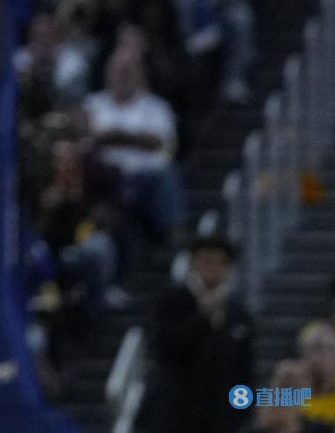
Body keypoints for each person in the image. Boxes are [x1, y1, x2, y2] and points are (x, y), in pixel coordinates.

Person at [148, 234, 252, 433]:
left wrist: (241, 415)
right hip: (177, 416)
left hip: (221, 418)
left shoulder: (239, 315)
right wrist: (203, 317)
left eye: (221, 262)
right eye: (207, 261)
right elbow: (166, 350)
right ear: (193, 264)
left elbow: (244, 372)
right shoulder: (172, 302)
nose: (213, 268)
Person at [84, 38, 185, 241]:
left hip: (144, 179)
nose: (122, 76)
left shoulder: (156, 107)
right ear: (107, 72)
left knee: (168, 172)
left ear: (140, 73)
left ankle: (174, 235)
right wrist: (136, 139)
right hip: (105, 180)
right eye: (117, 70)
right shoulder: (92, 104)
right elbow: (87, 139)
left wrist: (114, 136)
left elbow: (162, 144)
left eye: (127, 70)